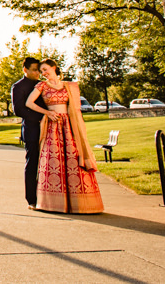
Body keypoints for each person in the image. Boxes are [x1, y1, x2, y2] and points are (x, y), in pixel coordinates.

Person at [25, 58, 103, 214]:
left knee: (73, 159)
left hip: (69, 126)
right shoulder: (41, 85)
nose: (44, 73)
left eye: (46, 69)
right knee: (54, 161)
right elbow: (29, 103)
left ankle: (79, 204)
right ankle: (54, 204)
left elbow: (75, 108)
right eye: (42, 71)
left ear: (54, 68)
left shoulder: (69, 86)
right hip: (53, 126)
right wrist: (48, 112)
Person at [11, 57, 44, 209]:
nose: (38, 73)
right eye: (35, 70)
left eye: (39, 70)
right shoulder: (18, 86)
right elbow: (19, 110)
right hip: (32, 130)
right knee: (32, 164)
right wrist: (41, 118)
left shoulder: (43, 84)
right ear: (25, 70)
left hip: (48, 129)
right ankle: (32, 199)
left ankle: (47, 196)